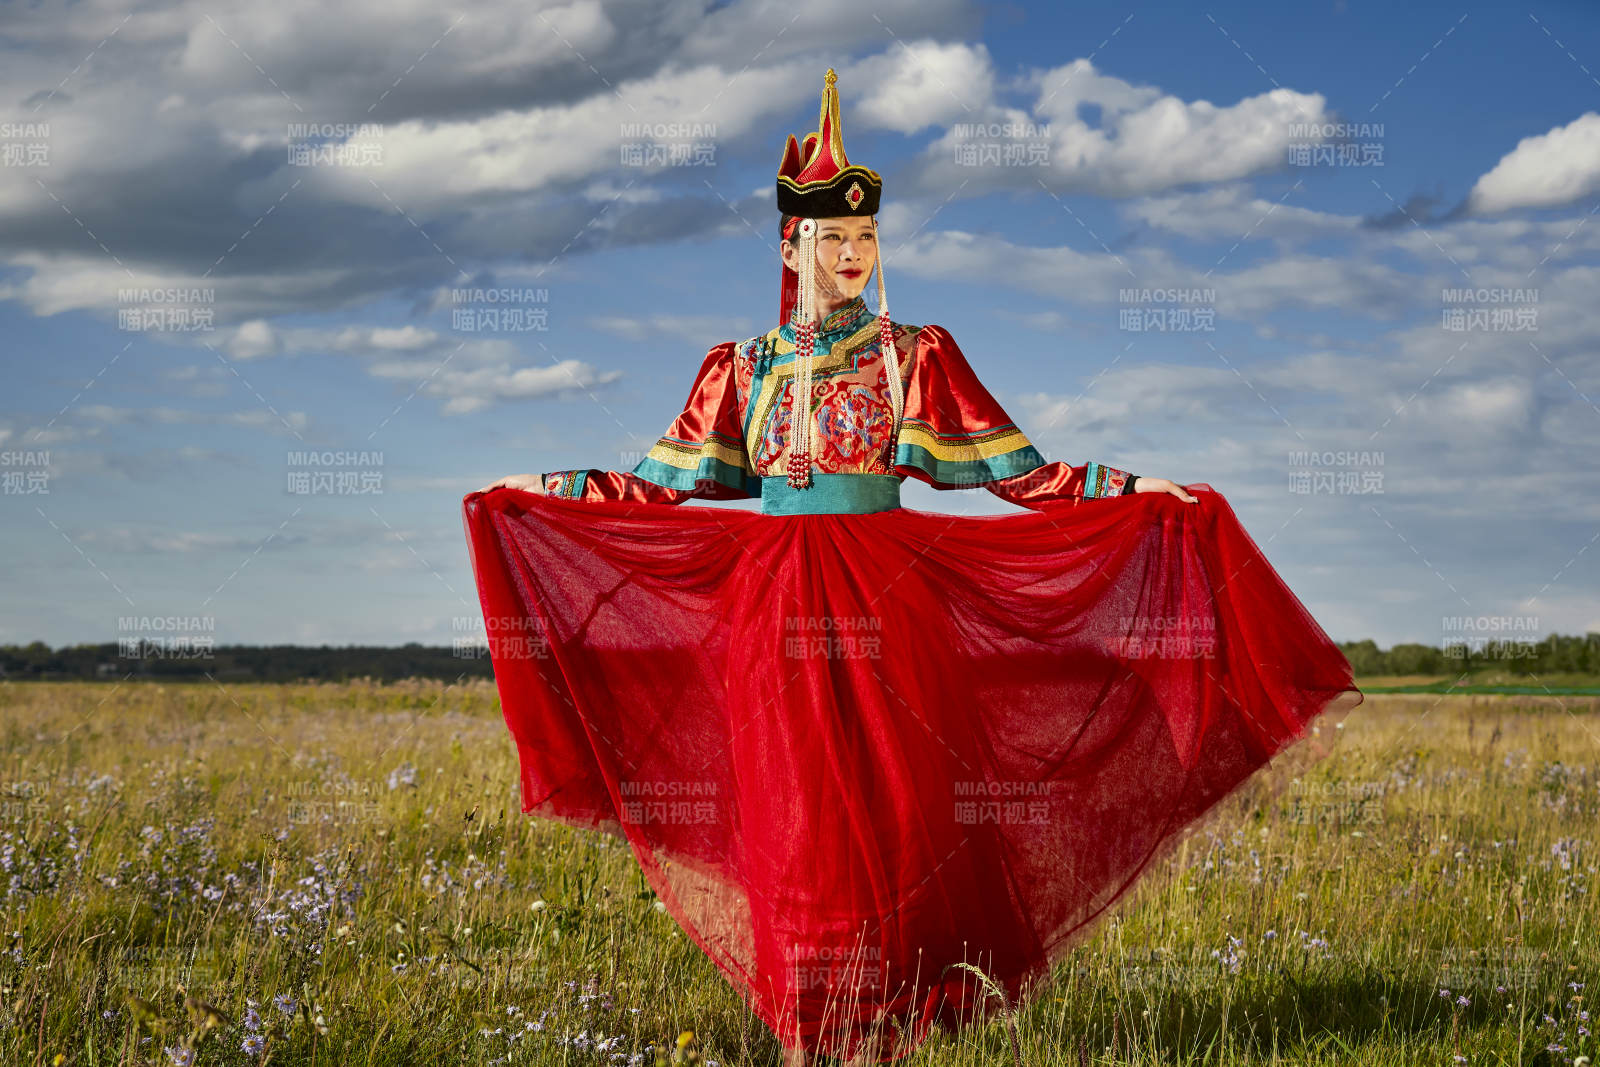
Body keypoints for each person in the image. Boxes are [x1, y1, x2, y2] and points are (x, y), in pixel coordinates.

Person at [464, 69, 1361, 1066]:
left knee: (899, 817)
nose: (854, 253)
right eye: (833, 238)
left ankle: (887, 1023)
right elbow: (654, 485)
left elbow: (1021, 472)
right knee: (799, 820)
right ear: (789, 247)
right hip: (774, 610)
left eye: (867, 238)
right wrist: (541, 488)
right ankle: (812, 1028)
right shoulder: (740, 368)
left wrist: (1135, 488)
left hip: (890, 604)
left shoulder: (914, 354)